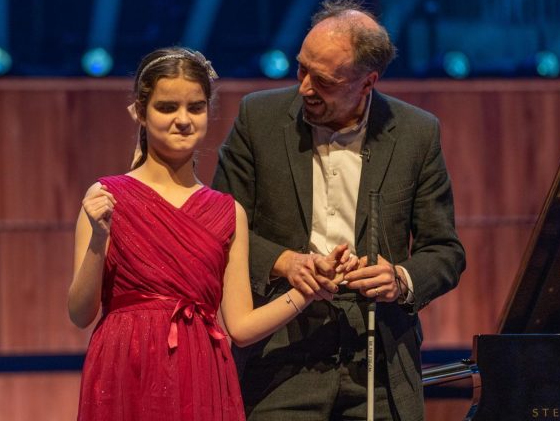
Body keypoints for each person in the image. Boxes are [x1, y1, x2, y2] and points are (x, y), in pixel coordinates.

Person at [67, 47, 356, 421]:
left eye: (196, 107)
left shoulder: (226, 211)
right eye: (167, 107)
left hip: (200, 370)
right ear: (140, 112)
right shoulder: (106, 197)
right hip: (125, 365)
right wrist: (98, 239)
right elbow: (80, 313)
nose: (183, 120)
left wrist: (307, 291)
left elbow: (242, 327)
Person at [212, 0, 466, 421]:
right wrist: (286, 262)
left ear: (367, 82)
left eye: (324, 80)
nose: (305, 86)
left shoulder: (417, 134)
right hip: (281, 351)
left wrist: (399, 278)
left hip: (376, 354)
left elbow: (445, 251)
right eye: (302, 67)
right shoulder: (258, 117)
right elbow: (220, 227)